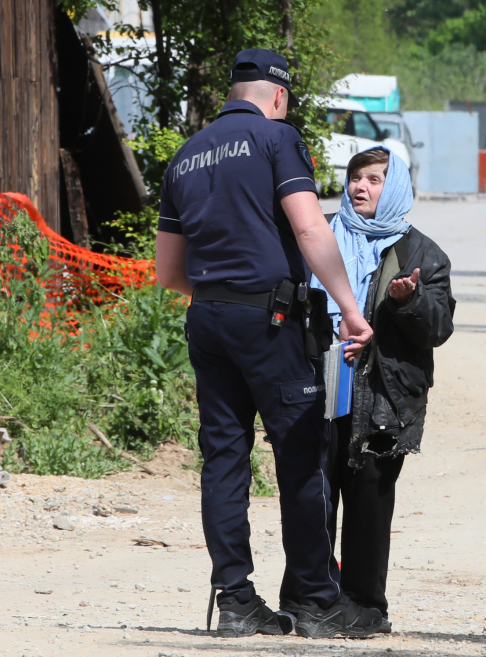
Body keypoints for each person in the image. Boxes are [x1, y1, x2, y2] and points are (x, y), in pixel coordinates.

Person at [154, 48, 383, 639]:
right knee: (301, 454)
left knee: (224, 459)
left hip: (207, 319)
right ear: (277, 96)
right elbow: (309, 226)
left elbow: (168, 273)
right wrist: (351, 310)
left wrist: (221, 295)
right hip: (271, 321)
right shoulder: (276, 140)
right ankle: (313, 599)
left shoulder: (184, 155)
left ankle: (235, 599)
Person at [312, 146, 455, 633]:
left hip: (384, 396)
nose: (360, 188)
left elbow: (438, 328)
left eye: (374, 179)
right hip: (321, 381)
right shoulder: (320, 234)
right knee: (315, 490)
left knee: (370, 496)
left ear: (393, 187)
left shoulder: (422, 253)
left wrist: (408, 300)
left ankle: (366, 604)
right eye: (355, 178)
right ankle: (315, 595)